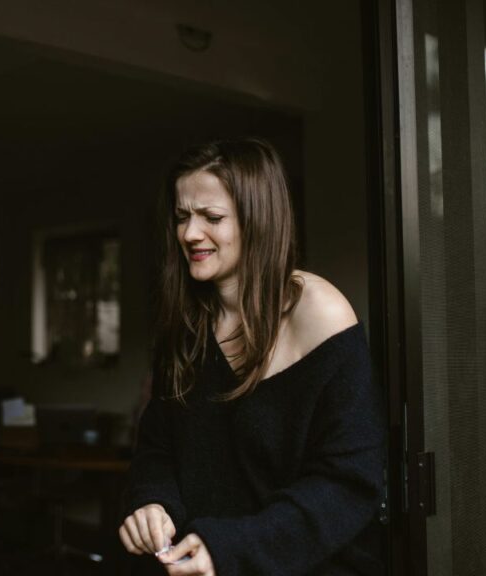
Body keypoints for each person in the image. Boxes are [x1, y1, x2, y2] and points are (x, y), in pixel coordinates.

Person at [119, 139, 385, 575]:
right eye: (182, 217)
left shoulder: (318, 310)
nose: (189, 234)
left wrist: (230, 549)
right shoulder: (185, 323)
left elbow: (349, 481)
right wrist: (153, 501)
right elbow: (157, 447)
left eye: (212, 217)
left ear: (257, 220)